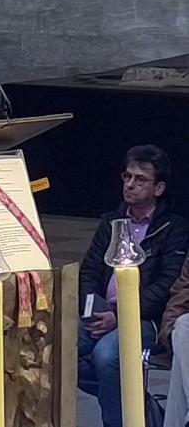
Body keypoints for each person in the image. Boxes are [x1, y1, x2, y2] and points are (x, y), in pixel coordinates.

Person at [79, 144, 187, 427]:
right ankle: (139, 406)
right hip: (102, 316)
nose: (130, 185)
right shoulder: (111, 222)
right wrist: (91, 307)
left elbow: (167, 284)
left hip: (146, 318)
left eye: (140, 179)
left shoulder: (173, 228)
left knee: (106, 357)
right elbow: (89, 269)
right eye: (127, 177)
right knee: (56, 349)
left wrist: (120, 315)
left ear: (159, 188)